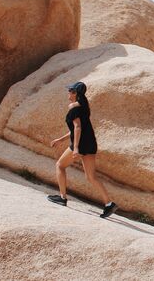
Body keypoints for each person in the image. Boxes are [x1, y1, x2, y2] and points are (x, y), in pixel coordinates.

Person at [47, 81, 118, 218]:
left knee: (60, 166)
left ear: (75, 93)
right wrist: (60, 140)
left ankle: (62, 198)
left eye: (70, 91)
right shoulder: (84, 106)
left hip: (81, 144)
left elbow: (77, 127)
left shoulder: (73, 106)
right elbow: (77, 128)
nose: (68, 93)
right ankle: (109, 204)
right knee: (91, 177)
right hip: (90, 143)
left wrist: (76, 148)